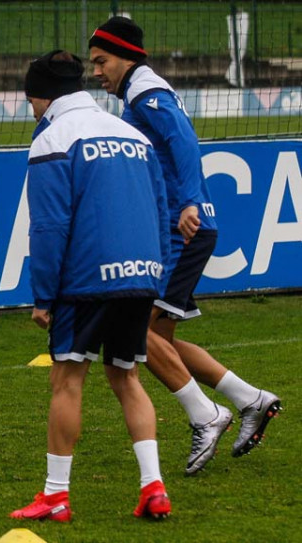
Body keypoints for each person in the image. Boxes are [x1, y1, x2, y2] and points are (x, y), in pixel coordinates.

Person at [89, 16, 282, 475]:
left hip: (182, 230)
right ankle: (249, 399)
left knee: (140, 333)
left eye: (102, 61)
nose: (96, 71)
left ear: (126, 56)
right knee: (161, 340)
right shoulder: (143, 89)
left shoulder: (143, 91)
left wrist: (191, 200)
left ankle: (208, 415)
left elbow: (183, 140)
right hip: (181, 228)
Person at [10, 50, 171, 522]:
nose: (33, 110)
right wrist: (154, 274)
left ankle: (56, 495)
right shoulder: (134, 135)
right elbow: (160, 211)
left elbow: (49, 228)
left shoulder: (52, 140)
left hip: (84, 282)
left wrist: (44, 295)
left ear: (41, 96)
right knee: (127, 378)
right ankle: (153, 487)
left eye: (31, 101)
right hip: (141, 275)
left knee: (66, 380)